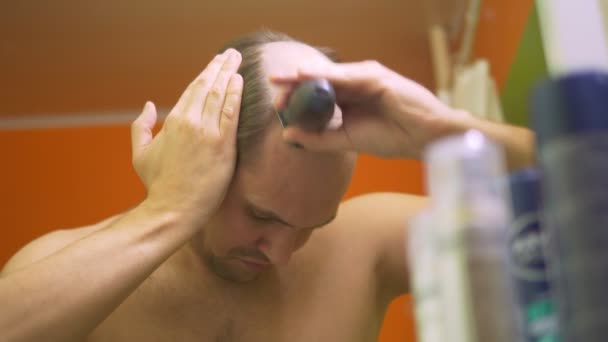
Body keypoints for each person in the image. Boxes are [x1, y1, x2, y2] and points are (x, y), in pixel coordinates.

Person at [0, 30, 534, 341]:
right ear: (199, 159)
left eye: (311, 225)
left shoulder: (364, 246)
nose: (282, 254)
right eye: (263, 216)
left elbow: (579, 212)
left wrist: (444, 130)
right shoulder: (67, 268)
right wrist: (164, 213)